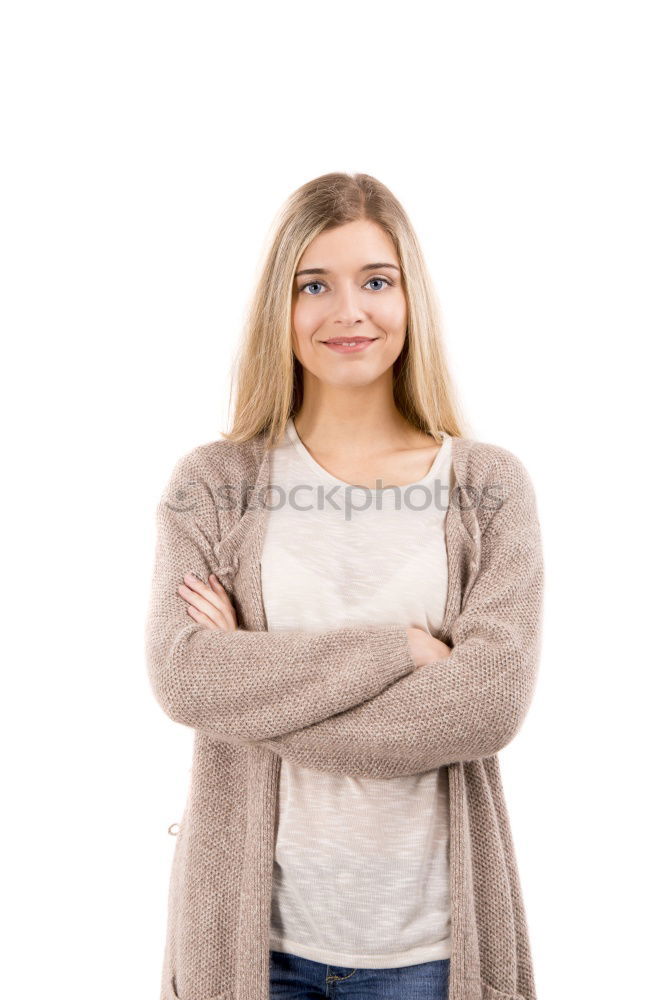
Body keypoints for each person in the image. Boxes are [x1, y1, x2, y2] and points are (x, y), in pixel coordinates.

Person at [145, 172, 544, 1000]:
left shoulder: (488, 486)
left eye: (375, 281)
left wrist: (252, 683)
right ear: (278, 309)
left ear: (410, 299)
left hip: (431, 953)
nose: (347, 311)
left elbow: (488, 705)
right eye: (313, 285)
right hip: (255, 948)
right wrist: (400, 651)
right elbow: (184, 676)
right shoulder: (214, 484)